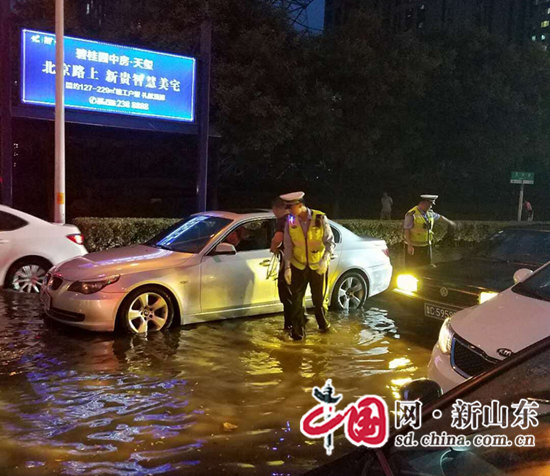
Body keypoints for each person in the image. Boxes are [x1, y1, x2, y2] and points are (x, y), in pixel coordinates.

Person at [282, 191, 335, 341]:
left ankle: (323, 325)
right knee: (296, 301)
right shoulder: (291, 220)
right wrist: (287, 267)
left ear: (300, 205)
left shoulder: (319, 217)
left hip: (317, 265)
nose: (289, 211)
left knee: (318, 300)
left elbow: (330, 242)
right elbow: (288, 245)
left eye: (291, 207)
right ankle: (298, 335)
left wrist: (325, 259)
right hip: (298, 266)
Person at [403, 194, 455, 268]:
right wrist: (409, 245)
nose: (431, 206)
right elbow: (407, 230)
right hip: (414, 247)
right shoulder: (411, 214)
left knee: (426, 268)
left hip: (426, 246)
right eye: (429, 204)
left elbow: (440, 217)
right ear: (423, 203)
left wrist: (450, 222)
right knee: (412, 268)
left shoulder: (429, 213)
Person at [270, 197, 293, 331]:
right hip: (298, 262)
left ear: (277, 209)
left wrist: (273, 247)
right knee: (294, 294)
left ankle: (290, 325)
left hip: (287, 263)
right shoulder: (294, 219)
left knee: (286, 294)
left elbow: (277, 239)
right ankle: (301, 317)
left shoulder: (282, 220)